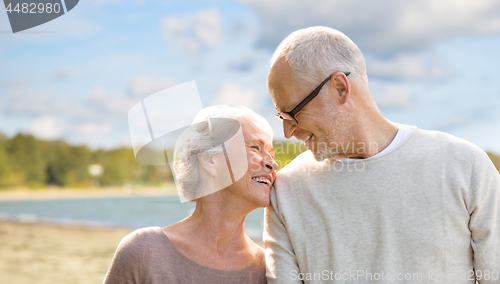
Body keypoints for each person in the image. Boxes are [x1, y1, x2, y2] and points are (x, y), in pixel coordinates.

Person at [264, 26, 500, 284]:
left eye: (293, 113)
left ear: (340, 88)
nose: (287, 132)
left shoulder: (466, 166)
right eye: (281, 117)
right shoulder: (285, 192)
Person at [103, 105, 278, 284]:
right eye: (256, 147)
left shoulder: (269, 270)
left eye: (272, 155)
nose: (273, 164)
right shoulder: (144, 251)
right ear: (211, 160)